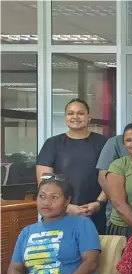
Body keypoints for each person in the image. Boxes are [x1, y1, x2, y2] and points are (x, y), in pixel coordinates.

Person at [7, 174, 100, 274]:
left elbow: (91, 262)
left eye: (54, 197)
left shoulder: (82, 224)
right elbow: (15, 268)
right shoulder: (26, 232)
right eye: (42, 196)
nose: (46, 202)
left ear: (67, 201)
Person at [36, 99, 108, 234]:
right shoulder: (53, 144)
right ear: (65, 118)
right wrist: (67, 207)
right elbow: (44, 182)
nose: (75, 117)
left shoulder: (103, 143)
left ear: (89, 117)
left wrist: (99, 203)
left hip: (95, 212)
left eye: (80, 113)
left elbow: (111, 178)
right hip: (58, 213)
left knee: (93, 252)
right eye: (70, 113)